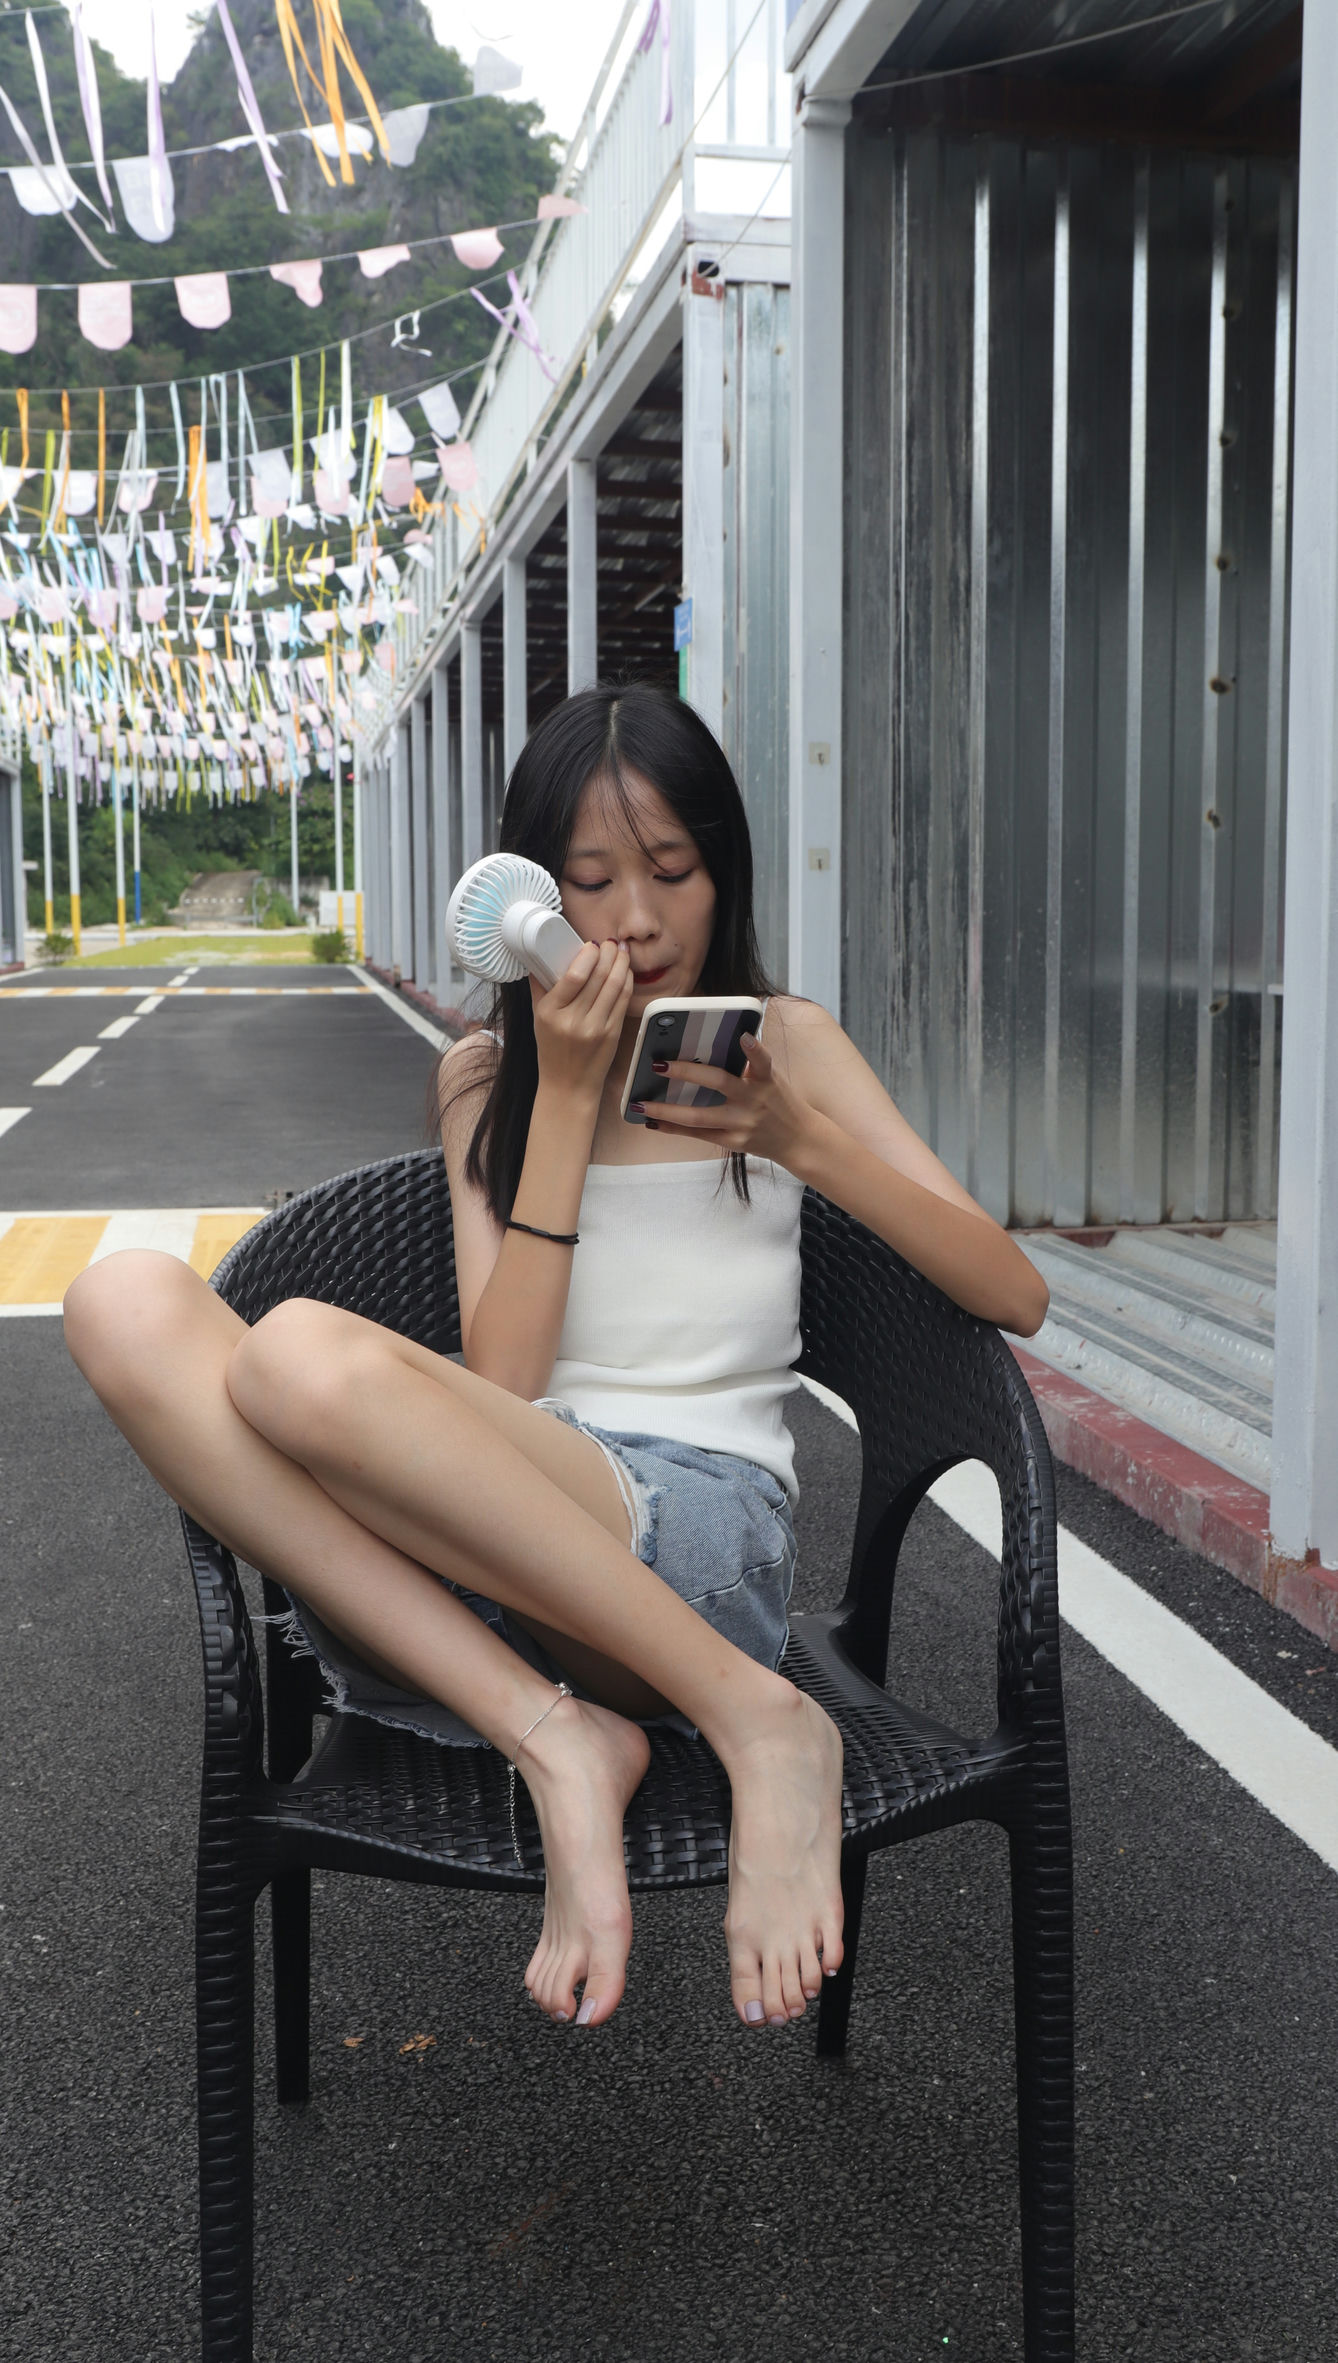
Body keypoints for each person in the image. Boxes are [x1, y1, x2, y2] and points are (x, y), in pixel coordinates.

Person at [64, 682, 1048, 2037]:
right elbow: (511, 1377)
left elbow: (1013, 1293)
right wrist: (569, 1098)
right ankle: (553, 1734)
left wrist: (797, 1138)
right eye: (590, 882)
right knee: (119, 1300)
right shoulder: (488, 1077)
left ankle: (756, 1715)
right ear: (534, 893)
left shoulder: (789, 1042)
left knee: (293, 1358)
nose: (634, 920)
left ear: (723, 871)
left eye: (671, 871)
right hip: (473, 1585)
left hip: (691, 1549)